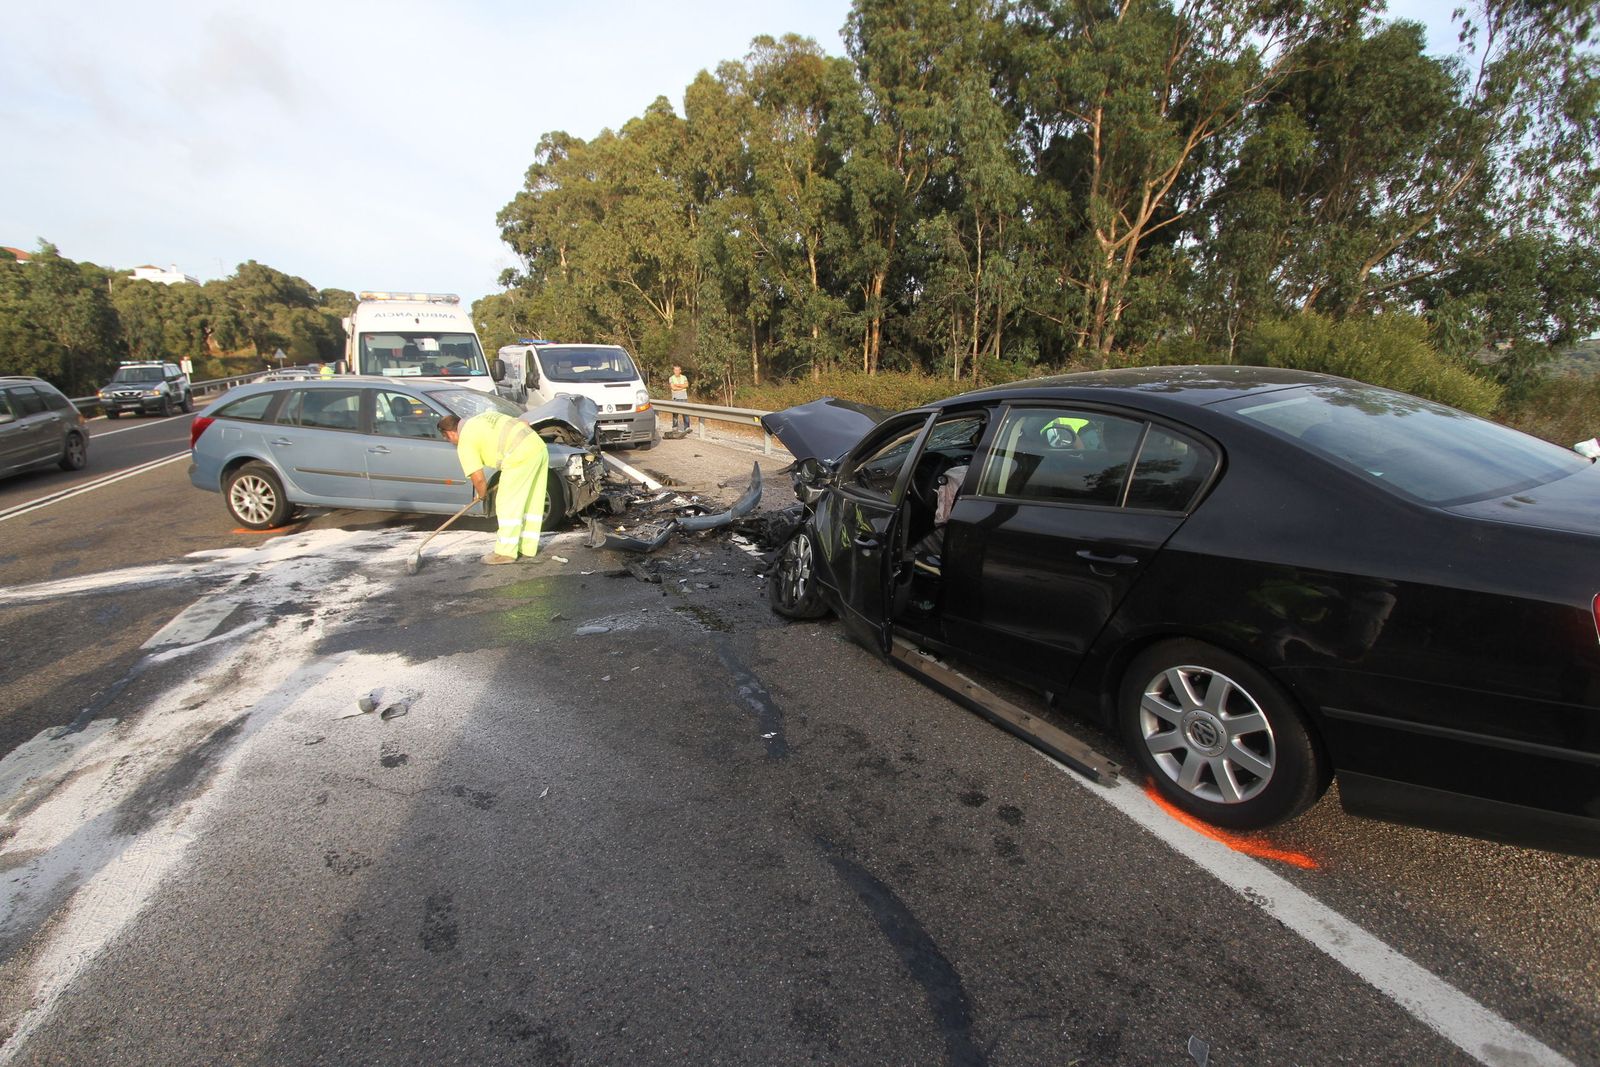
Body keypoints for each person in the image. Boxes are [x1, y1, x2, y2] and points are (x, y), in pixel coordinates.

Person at [437, 410, 549, 565]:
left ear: (450, 433)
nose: (451, 442)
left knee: (507, 504)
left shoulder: (465, 441)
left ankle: (505, 553)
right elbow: (523, 423)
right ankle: (527, 546)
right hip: (537, 447)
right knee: (531, 500)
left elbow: (479, 479)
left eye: (448, 439)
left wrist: (481, 495)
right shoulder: (480, 418)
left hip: (519, 457)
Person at [668, 365, 689, 432]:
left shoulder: (684, 377)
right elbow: (673, 387)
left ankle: (687, 427)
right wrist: (682, 387)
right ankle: (675, 427)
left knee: (685, 413)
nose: (676, 371)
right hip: (676, 398)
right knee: (675, 413)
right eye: (675, 370)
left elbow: (687, 385)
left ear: (680, 371)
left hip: (684, 397)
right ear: (673, 371)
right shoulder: (671, 378)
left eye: (678, 370)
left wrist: (678, 385)